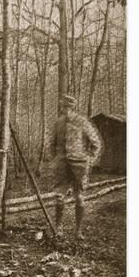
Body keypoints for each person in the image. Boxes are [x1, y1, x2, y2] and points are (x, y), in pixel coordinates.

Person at [51, 94, 102, 239]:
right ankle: (58, 229)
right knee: (59, 197)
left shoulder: (82, 122)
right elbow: (52, 144)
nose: (66, 110)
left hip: (80, 166)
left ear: (73, 107)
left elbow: (96, 143)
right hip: (62, 166)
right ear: (61, 108)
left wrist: (90, 160)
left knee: (79, 197)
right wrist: (55, 159)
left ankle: (78, 231)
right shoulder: (58, 123)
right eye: (64, 107)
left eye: (69, 107)